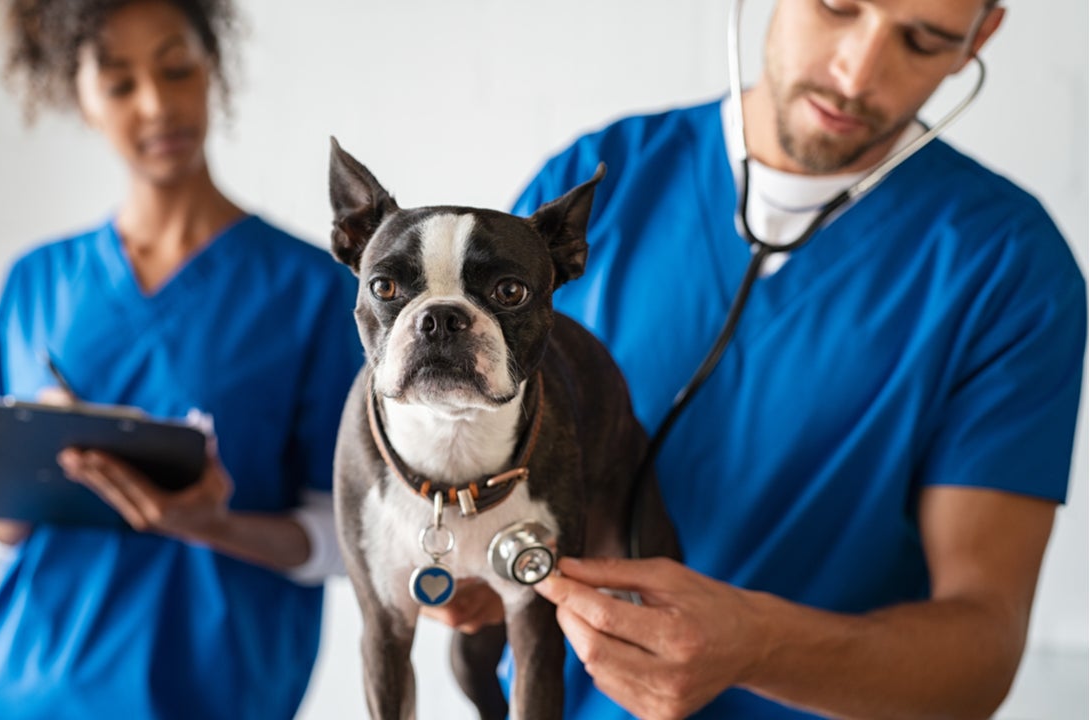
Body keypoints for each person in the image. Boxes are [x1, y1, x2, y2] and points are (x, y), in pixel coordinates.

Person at [433, 1, 1087, 718]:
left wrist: (762, 648)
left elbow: (982, 650)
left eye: (923, 40)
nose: (856, 72)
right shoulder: (594, 188)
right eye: (838, 7)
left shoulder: (1008, 267)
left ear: (977, 41)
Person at [0, 1, 362, 718]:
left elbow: (350, 542)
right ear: (81, 95)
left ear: (211, 66)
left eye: (175, 67)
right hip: (10, 691)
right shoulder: (38, 282)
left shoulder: (311, 292)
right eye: (121, 83)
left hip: (207, 695)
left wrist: (210, 526)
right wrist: (39, 459)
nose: (158, 105)